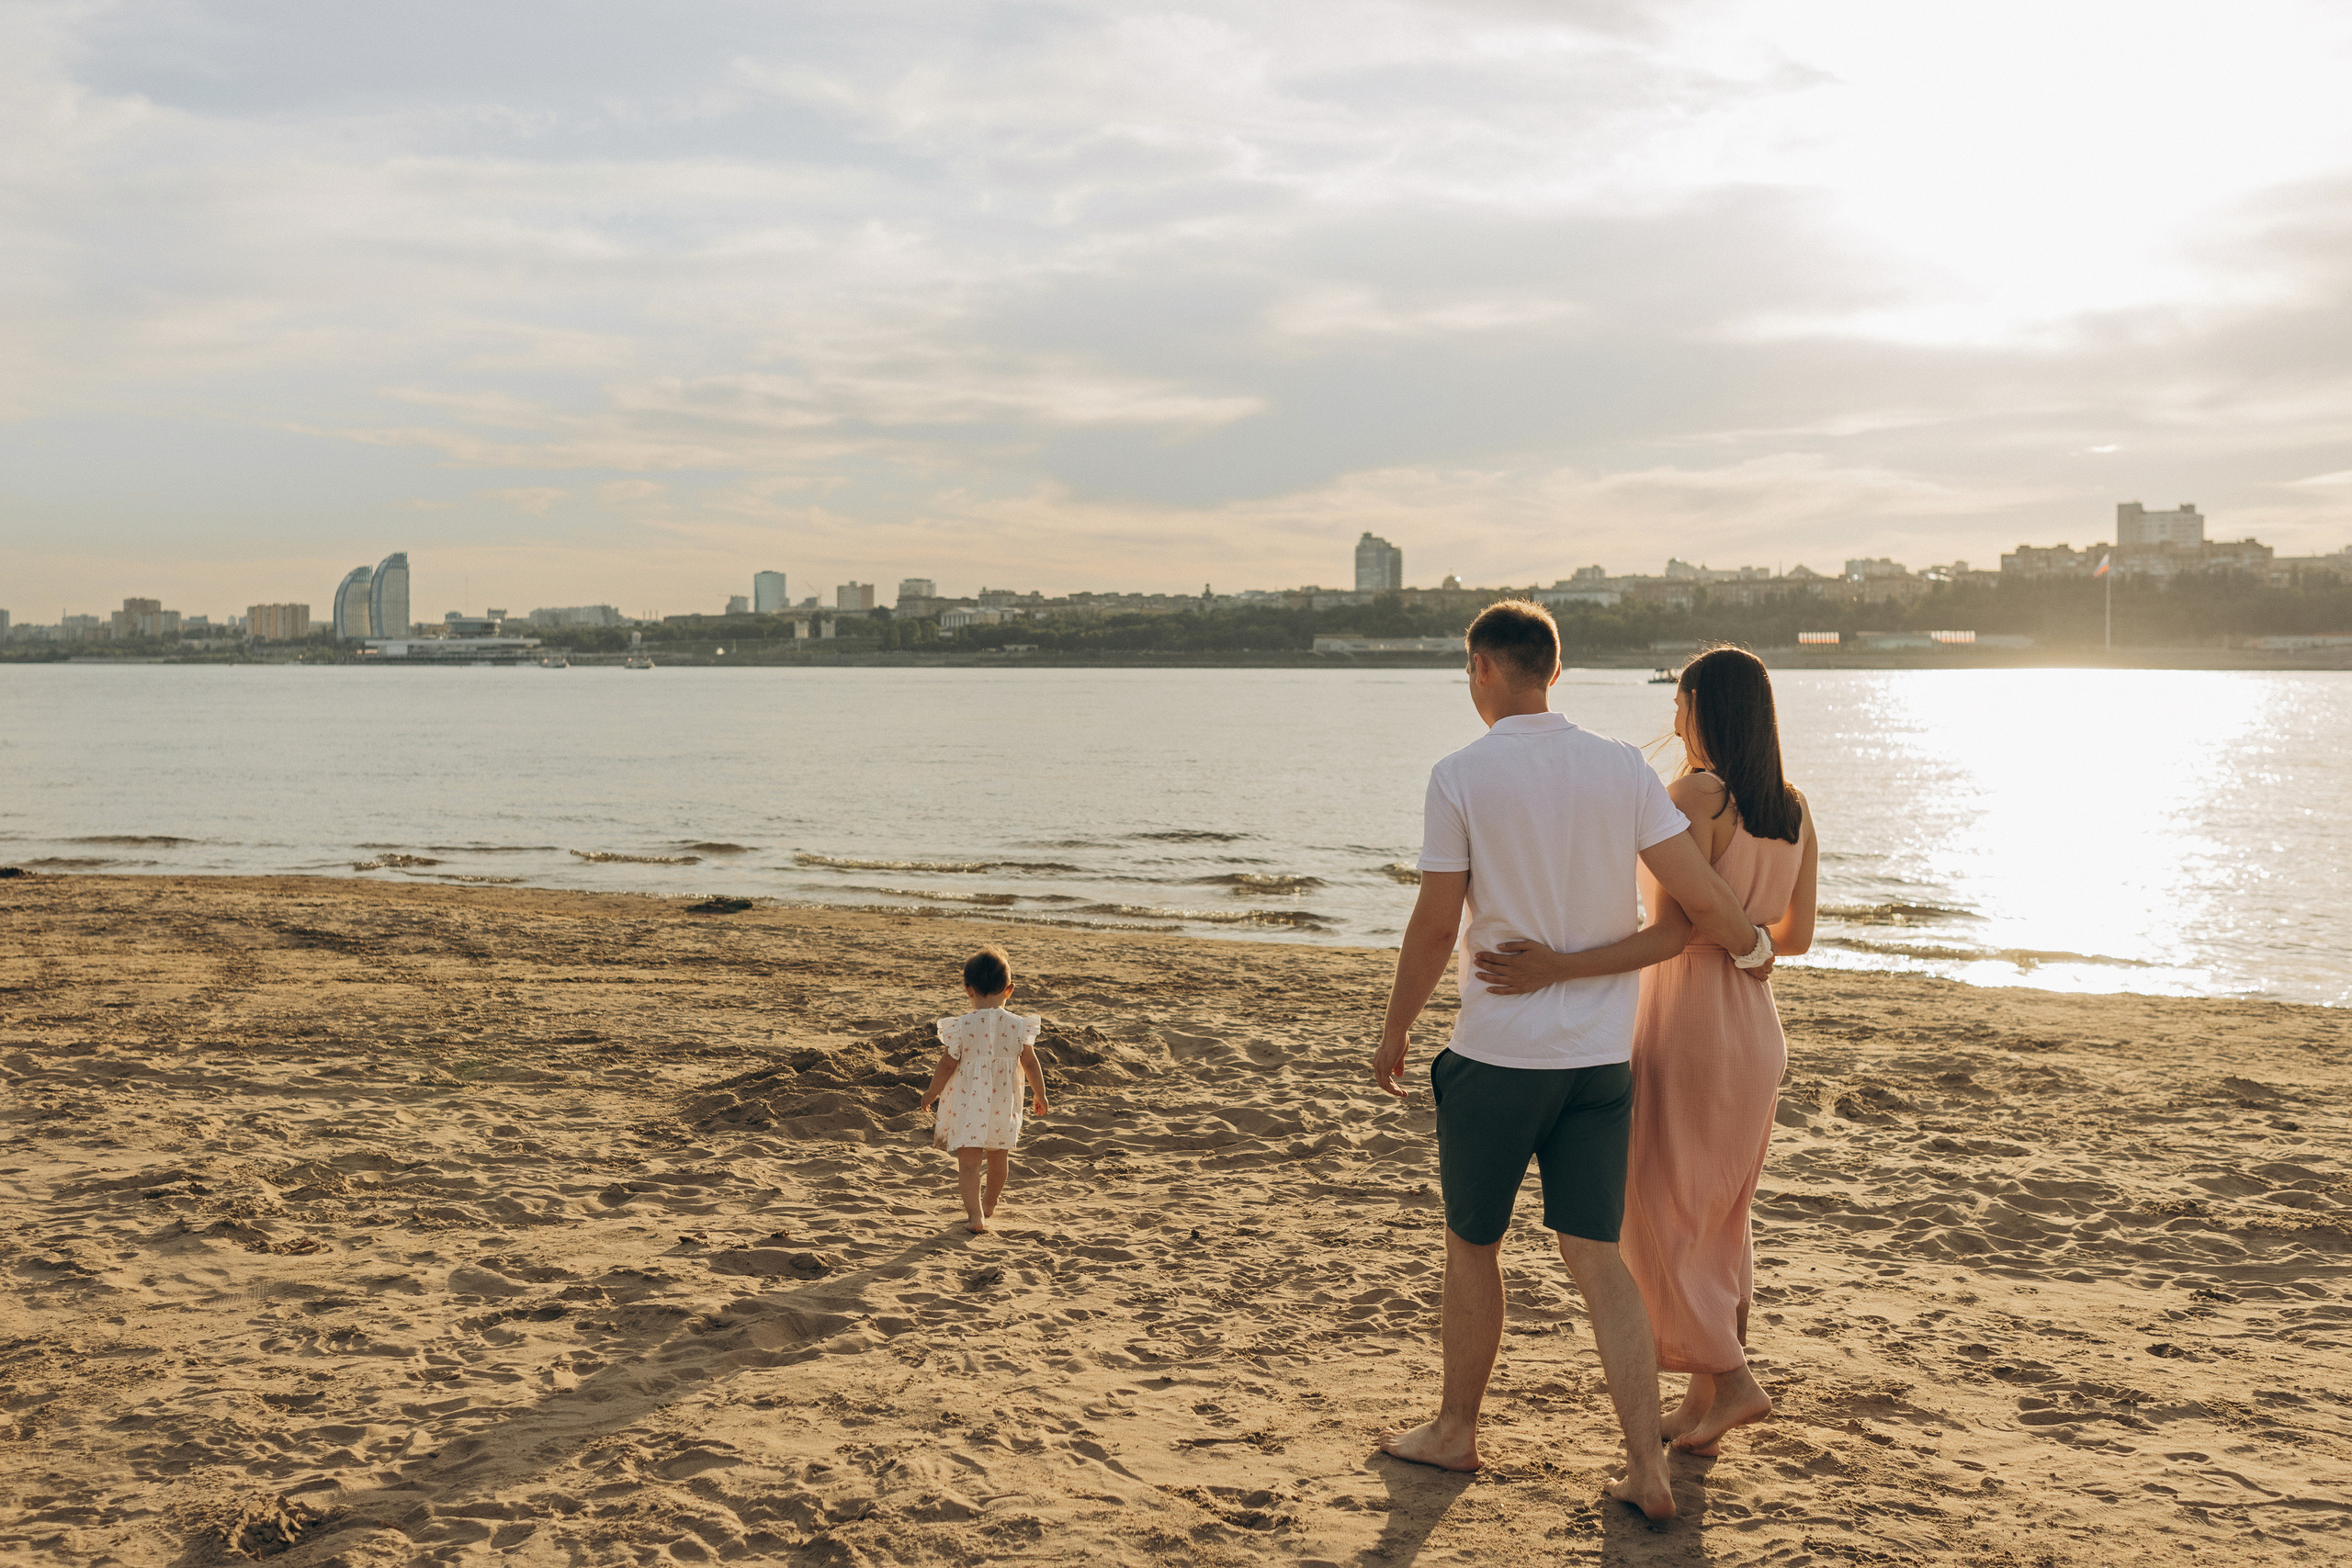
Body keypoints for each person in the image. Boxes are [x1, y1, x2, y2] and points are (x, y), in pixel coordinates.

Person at [1370, 603, 1780, 1525]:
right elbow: (1693, 901)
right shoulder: (1623, 767)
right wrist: (1754, 952)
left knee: (1473, 1245)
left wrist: (1396, 1027)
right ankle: (1646, 1466)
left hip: (1499, 1056)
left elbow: (1438, 921)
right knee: (1598, 1257)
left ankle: (1454, 1431)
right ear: (1553, 671)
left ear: (1480, 667)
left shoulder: (1461, 775)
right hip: (1600, 1061)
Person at [1476, 646, 1816, 1459]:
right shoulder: (1795, 806)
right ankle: (1706, 1395)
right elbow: (1795, 938)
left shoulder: (1697, 794)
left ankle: (1731, 1378)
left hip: (1689, 1014)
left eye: (1680, 704)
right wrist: (1746, 939)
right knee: (1721, 1210)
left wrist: (1559, 966)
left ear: (1704, 708)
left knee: (1664, 1203)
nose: (1672, 719)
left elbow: (1668, 932)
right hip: (1755, 1021)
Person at [919, 947, 1051, 1235]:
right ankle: (990, 1203)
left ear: (968, 989)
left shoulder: (961, 1026)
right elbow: (1030, 1062)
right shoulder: (1018, 1026)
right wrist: (1040, 1094)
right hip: (1003, 1103)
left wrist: (932, 1092)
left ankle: (976, 1215)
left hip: (969, 1104)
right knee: (998, 1158)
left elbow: (946, 1064)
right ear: (1009, 990)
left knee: (968, 1162)